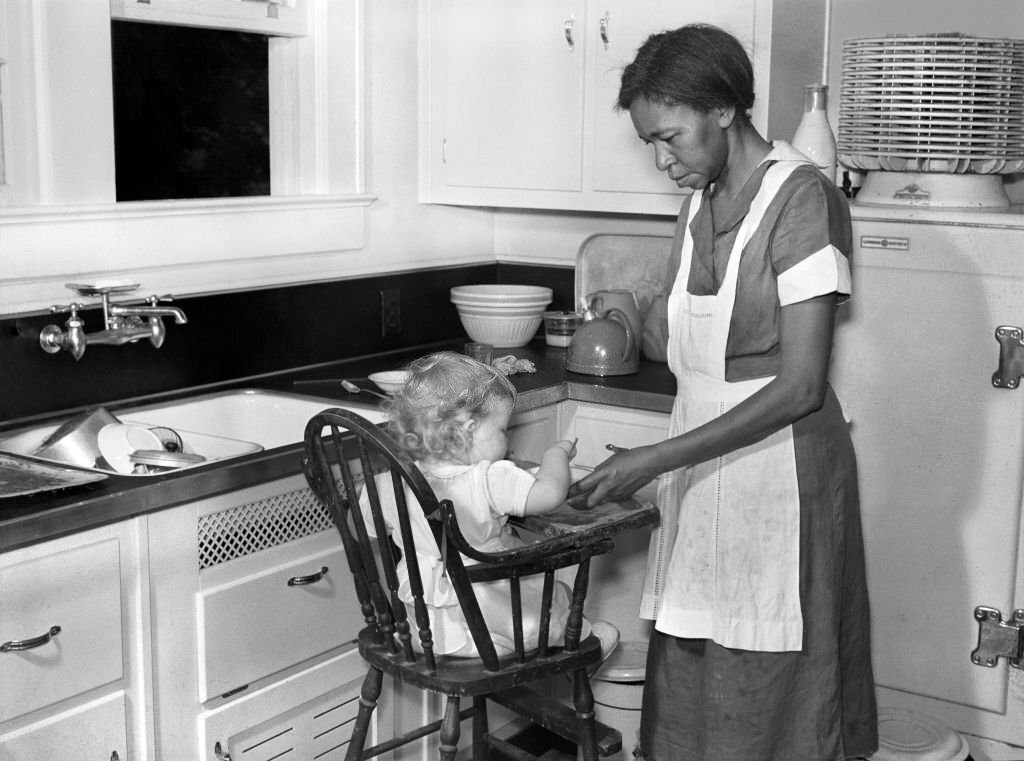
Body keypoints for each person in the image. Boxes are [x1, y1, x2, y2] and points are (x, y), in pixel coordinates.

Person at [567, 24, 878, 761]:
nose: (661, 158)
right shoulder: (697, 204)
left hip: (783, 474)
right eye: (650, 140)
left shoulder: (804, 199)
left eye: (670, 136)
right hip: (704, 473)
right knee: (696, 669)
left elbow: (801, 384)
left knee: (772, 678)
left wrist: (657, 457)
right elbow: (689, 352)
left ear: (726, 111)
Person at [372, 350, 618, 659]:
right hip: (493, 629)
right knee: (549, 594)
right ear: (469, 428)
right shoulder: (488, 478)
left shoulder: (391, 481)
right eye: (503, 430)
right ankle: (581, 637)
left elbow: (364, 525)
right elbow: (550, 494)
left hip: (428, 631)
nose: (508, 441)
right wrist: (556, 454)